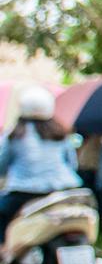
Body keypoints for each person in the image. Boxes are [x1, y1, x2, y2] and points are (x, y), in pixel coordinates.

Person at [0, 85, 82, 234]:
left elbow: (1, 164)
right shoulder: (60, 134)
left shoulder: (15, 135)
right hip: (64, 189)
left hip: (24, 191)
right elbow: (72, 163)